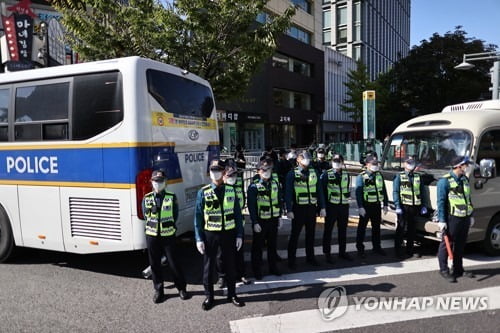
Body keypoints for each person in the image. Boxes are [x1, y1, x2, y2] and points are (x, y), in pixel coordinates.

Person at [194, 159, 245, 310]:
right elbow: (197, 217)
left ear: (224, 173)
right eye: (213, 170)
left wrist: (239, 235)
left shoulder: (231, 190)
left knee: (230, 266)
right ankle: (209, 296)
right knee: (208, 267)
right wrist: (198, 238)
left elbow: (237, 214)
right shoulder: (203, 192)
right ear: (209, 173)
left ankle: (232, 294)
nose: (215, 173)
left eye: (219, 170)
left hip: (228, 233)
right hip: (210, 234)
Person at [141, 170, 188, 303]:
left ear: (165, 182)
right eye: (156, 181)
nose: (158, 183)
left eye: (161, 181)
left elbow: (175, 214)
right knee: (155, 264)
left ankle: (181, 288)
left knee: (174, 263)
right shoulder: (147, 198)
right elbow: (146, 215)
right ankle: (159, 290)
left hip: (168, 235)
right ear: (151, 182)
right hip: (152, 236)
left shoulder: (172, 197)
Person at [436, 156, 475, 283]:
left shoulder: (464, 180)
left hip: (464, 217)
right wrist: (442, 220)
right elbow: (441, 202)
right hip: (452, 218)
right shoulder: (444, 182)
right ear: (459, 166)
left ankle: (458, 269)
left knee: (460, 244)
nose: (467, 167)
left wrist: (471, 215)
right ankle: (443, 270)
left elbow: (468, 198)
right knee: (446, 244)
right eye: (465, 165)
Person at [285, 150, 326, 269]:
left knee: (311, 234)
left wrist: (322, 207)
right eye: (303, 158)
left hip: (311, 208)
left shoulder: (314, 172)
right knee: (295, 235)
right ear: (298, 159)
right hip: (298, 209)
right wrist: (289, 210)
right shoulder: (292, 174)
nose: (306, 160)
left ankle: (310, 257)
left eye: (308, 158)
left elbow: (319, 191)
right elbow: (288, 194)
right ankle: (291, 261)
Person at [248, 159, 283, 279]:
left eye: (269, 169)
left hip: (273, 219)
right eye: (264, 169)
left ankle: (273, 267)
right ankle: (257, 270)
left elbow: (278, 200)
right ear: (258, 171)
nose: (267, 171)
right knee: (257, 247)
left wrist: (279, 217)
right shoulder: (254, 187)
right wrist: (254, 222)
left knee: (272, 246)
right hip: (261, 220)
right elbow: (251, 206)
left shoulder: (275, 184)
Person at [217, 164, 250, 286]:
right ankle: (222, 276)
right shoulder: (220, 189)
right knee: (221, 254)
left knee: (238, 252)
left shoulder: (238, 188)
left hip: (237, 225)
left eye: (234, 175)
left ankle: (241, 274)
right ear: (223, 176)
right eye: (229, 175)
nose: (232, 177)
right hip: (223, 226)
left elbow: (241, 205)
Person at [320, 153, 353, 264]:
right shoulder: (326, 174)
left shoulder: (346, 174)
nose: (337, 163)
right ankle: (327, 253)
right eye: (335, 160)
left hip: (343, 206)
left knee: (343, 230)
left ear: (343, 162)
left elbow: (346, 189)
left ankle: (342, 252)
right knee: (328, 230)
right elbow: (322, 192)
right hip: (331, 206)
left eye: (339, 161)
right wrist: (322, 207)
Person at [393, 157, 428, 258]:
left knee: (412, 230)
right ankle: (398, 250)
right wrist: (397, 206)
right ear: (404, 164)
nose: (410, 165)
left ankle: (410, 250)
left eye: (412, 163)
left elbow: (422, 192)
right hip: (403, 207)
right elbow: (396, 192)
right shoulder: (399, 176)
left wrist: (424, 205)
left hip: (415, 207)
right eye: (408, 163)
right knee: (400, 229)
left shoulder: (418, 176)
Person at [355, 155, 388, 258]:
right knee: (362, 228)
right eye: (373, 164)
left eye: (376, 164)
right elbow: (358, 193)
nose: (376, 166)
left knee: (376, 228)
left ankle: (377, 247)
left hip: (376, 206)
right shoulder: (361, 176)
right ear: (367, 165)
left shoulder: (379, 175)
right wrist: (360, 206)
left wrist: (385, 204)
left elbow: (383, 190)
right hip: (366, 206)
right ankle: (360, 249)